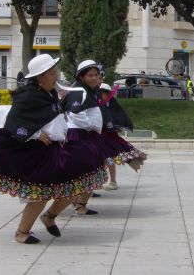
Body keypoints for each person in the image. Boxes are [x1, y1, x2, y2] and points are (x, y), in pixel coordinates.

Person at [0, 54, 107, 244]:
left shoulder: (49, 92)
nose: (55, 77)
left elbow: (56, 113)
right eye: (51, 74)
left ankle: (50, 216)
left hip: (56, 148)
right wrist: (35, 134)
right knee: (40, 194)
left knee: (78, 182)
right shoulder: (27, 95)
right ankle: (22, 233)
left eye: (55, 72)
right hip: (35, 152)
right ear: (39, 77)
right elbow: (14, 122)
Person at [61, 60, 146, 215]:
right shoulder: (80, 91)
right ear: (81, 76)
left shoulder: (89, 90)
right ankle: (73, 206)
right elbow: (76, 114)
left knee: (93, 171)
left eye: (96, 75)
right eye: (90, 75)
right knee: (88, 171)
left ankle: (79, 204)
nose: (94, 78)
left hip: (87, 134)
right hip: (80, 135)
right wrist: (91, 126)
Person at [99, 82, 147, 191]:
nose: (101, 95)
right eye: (100, 93)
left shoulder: (111, 105)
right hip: (98, 136)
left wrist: (116, 127)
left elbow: (119, 117)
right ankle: (100, 181)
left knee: (109, 158)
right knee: (100, 159)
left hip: (109, 137)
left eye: (103, 93)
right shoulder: (97, 104)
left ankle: (112, 181)